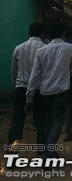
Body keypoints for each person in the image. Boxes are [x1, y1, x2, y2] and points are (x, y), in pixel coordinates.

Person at [25, 21, 72, 158]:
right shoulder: (70, 48)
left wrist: (29, 97)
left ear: (48, 34)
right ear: (63, 33)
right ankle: (48, 152)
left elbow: (34, 76)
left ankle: (49, 151)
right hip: (61, 91)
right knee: (58, 122)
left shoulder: (41, 50)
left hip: (45, 91)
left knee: (48, 123)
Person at [6, 22, 46, 151]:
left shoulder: (18, 48)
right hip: (39, 89)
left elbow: (14, 70)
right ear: (43, 33)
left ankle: (12, 150)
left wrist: (16, 85)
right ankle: (41, 149)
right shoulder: (45, 48)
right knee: (40, 119)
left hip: (21, 88)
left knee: (17, 119)